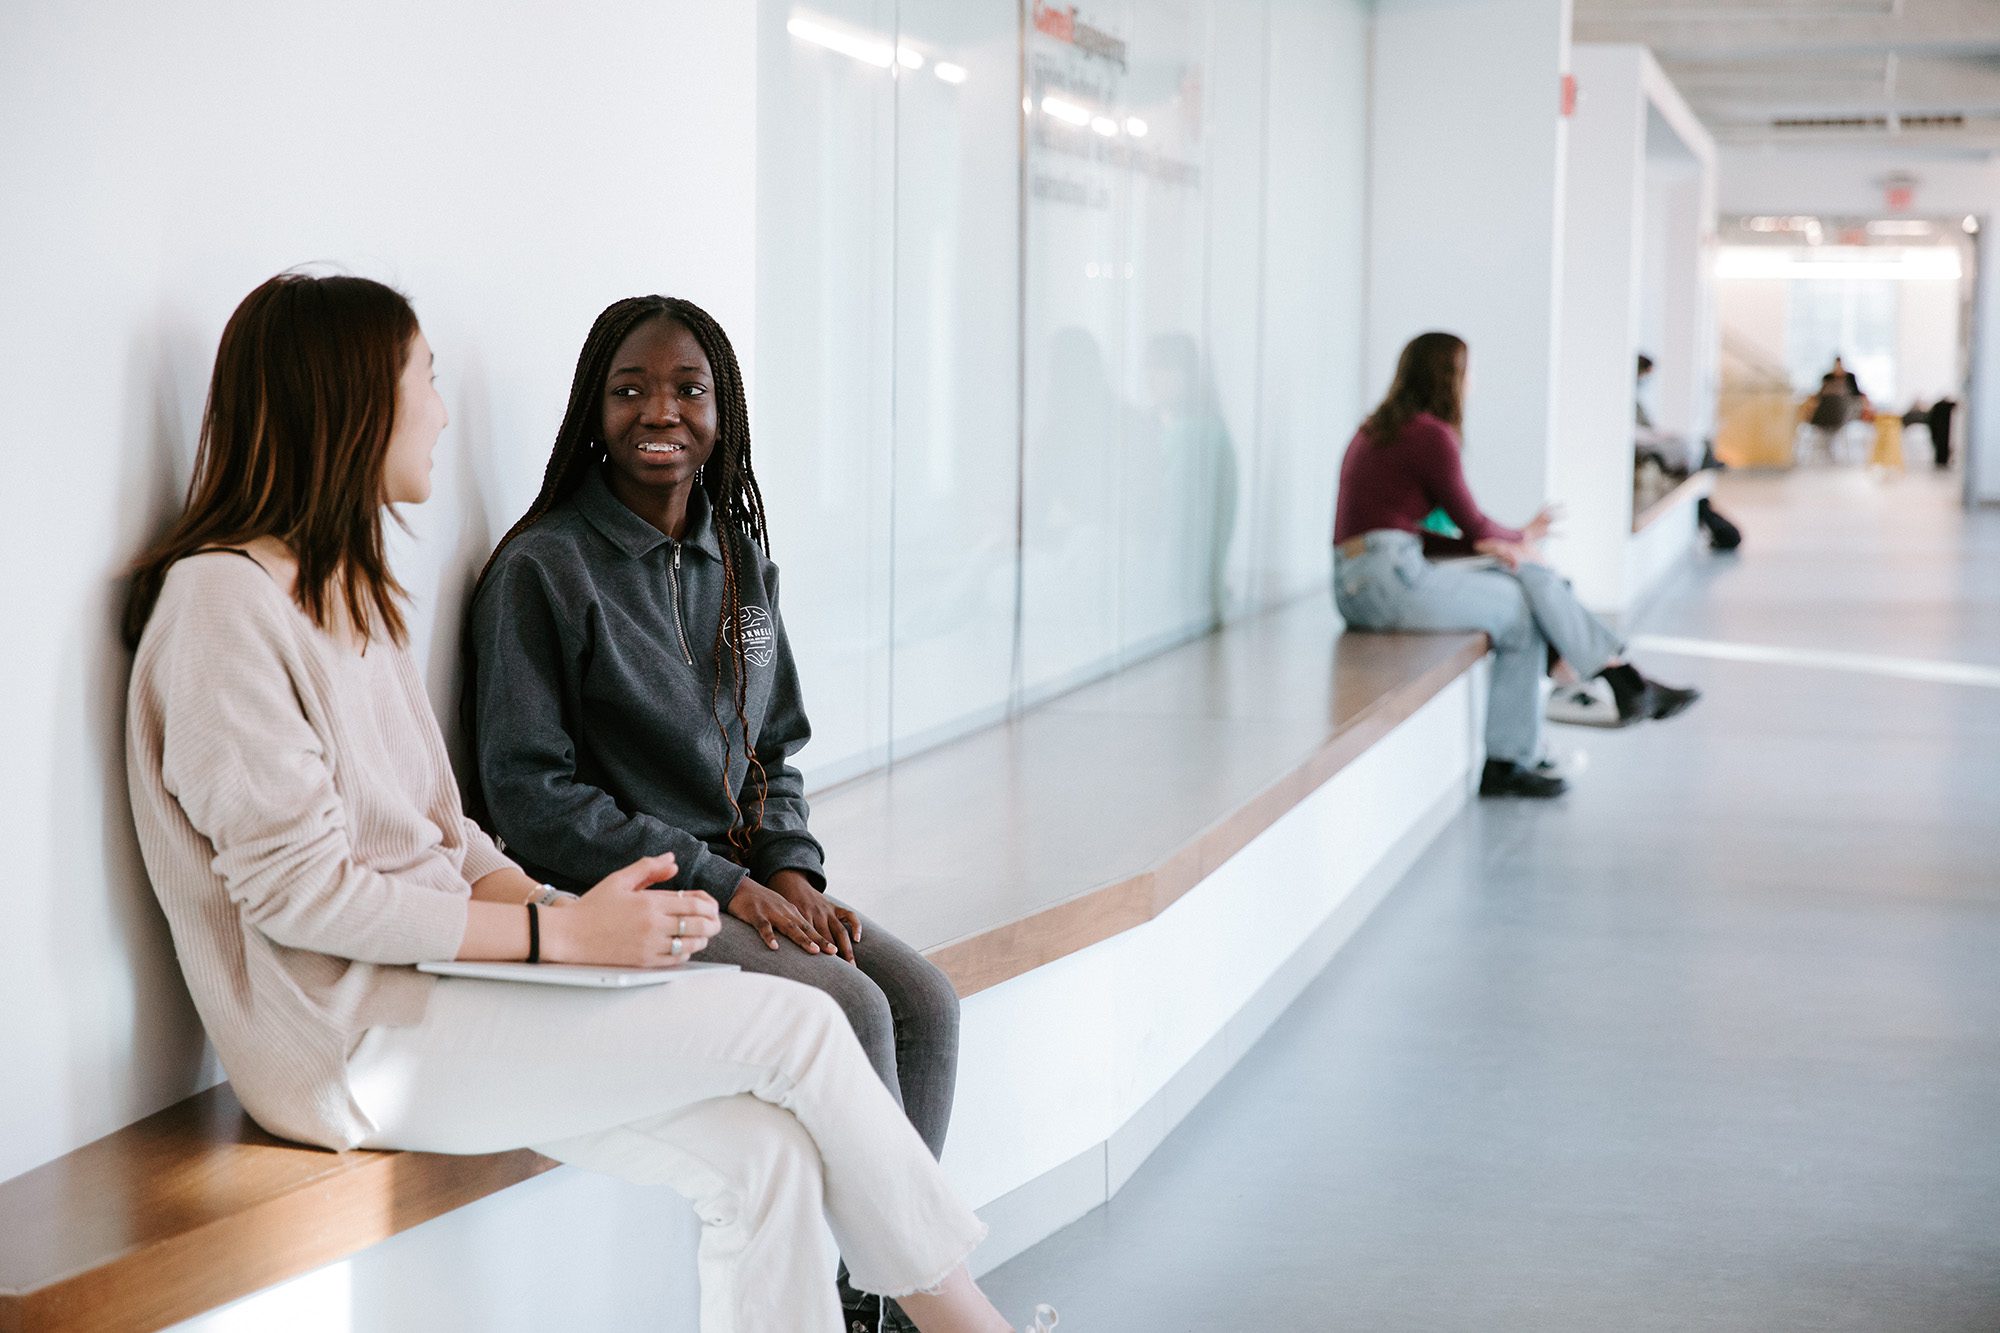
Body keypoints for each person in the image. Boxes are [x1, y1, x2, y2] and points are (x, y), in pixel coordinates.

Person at [123, 272, 1037, 1333]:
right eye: (426, 377)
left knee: (770, 1155)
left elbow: (441, 825)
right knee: (801, 1026)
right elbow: (302, 895)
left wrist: (560, 919)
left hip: (444, 983)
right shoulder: (221, 605)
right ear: (354, 400)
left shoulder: (343, 588)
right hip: (346, 1043)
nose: (443, 409)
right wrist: (552, 934)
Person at [464, 294, 964, 1333]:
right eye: (629, 389)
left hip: (743, 883)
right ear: (591, 412)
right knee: (852, 1006)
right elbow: (530, 798)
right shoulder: (541, 570)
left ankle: (873, 1305)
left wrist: (789, 872)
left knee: (923, 1001)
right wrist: (723, 879)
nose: (661, 410)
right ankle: (896, 1309)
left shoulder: (737, 560)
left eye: (687, 387)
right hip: (632, 896)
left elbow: (770, 746)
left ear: (721, 410)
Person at [1332, 331, 1699, 799]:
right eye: (1469, 372)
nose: (1473, 383)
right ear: (1450, 376)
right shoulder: (1430, 434)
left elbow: (1407, 534)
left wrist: (1499, 548)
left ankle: (1608, 686)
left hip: (1365, 580)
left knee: (1526, 580)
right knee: (1525, 603)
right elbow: (1473, 522)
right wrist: (1518, 539)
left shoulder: (1379, 429)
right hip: (1386, 583)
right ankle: (1589, 694)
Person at [1635, 353, 1740, 552]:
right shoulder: (1628, 399)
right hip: (1644, 446)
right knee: (1681, 446)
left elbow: (1648, 427)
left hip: (1650, 439)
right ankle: (1701, 462)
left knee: (1691, 442)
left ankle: (1702, 460)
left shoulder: (1637, 399)